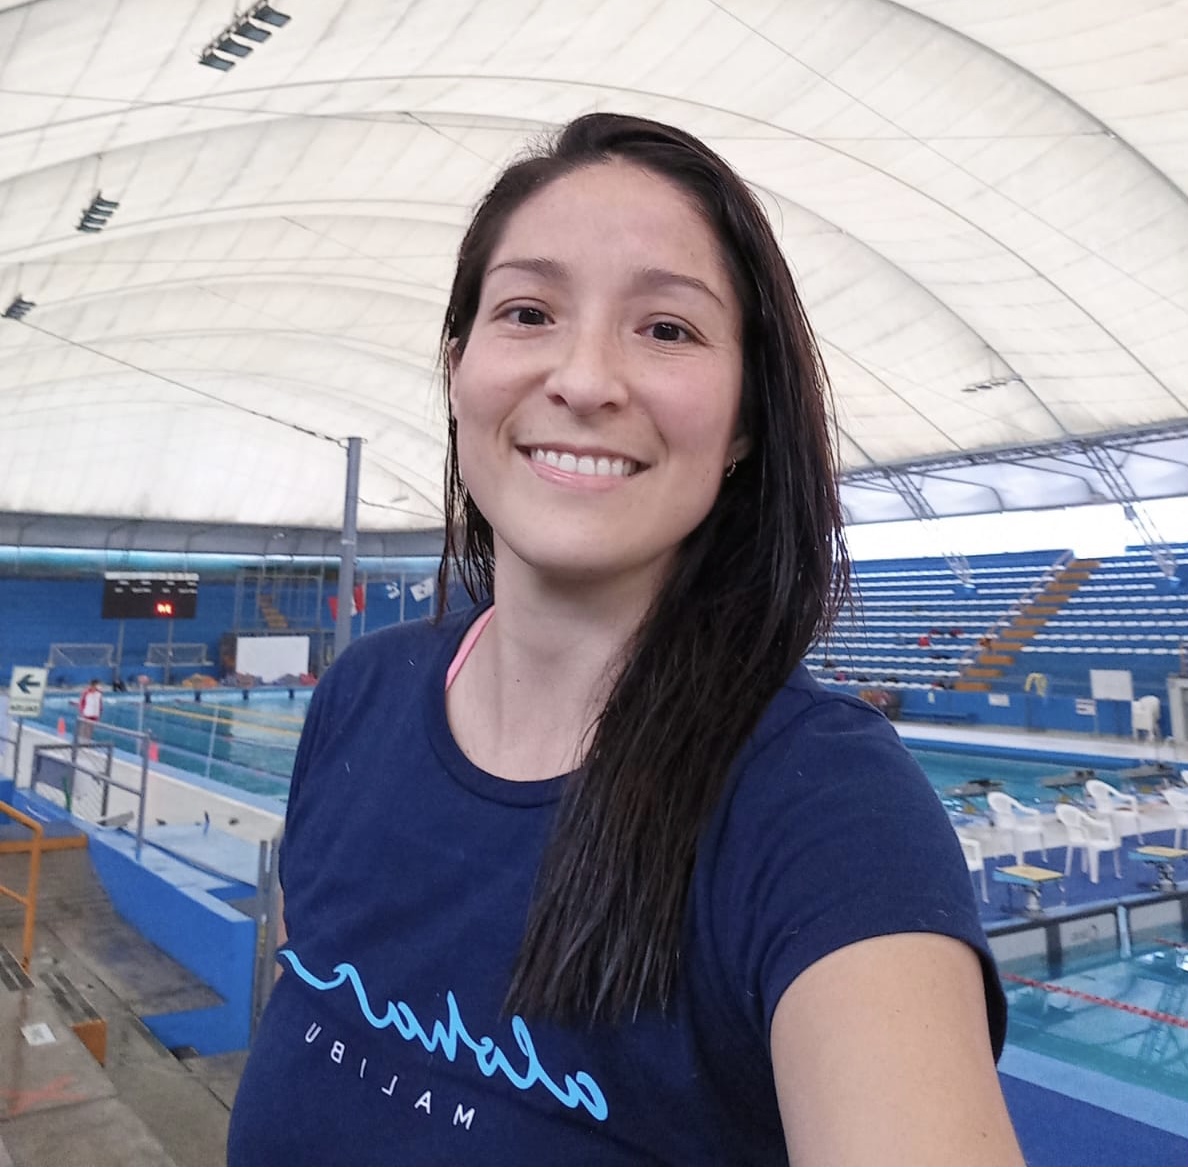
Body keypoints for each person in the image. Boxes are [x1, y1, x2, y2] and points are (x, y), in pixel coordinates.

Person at [228, 114, 1022, 1166]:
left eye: (667, 329)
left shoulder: (825, 812)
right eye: (528, 312)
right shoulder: (358, 700)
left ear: (745, 419)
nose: (586, 378)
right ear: (459, 367)